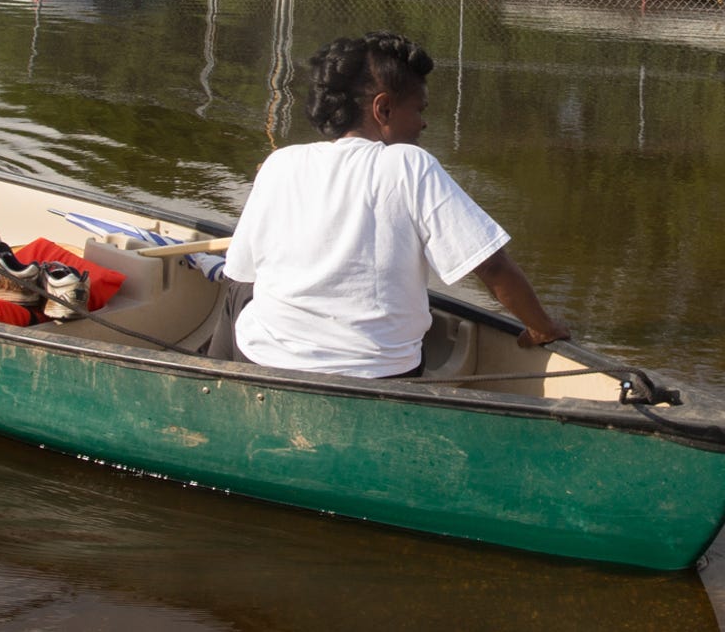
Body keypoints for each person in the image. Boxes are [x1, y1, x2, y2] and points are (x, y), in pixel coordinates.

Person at [222, 32, 568, 379]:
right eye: (418, 110)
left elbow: (239, 273)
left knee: (236, 296)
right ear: (383, 109)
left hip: (264, 359)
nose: (424, 123)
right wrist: (543, 327)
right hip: (380, 375)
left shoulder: (281, 162)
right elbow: (491, 267)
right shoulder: (409, 164)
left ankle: (218, 378)